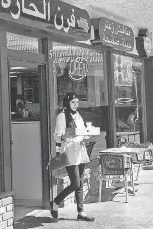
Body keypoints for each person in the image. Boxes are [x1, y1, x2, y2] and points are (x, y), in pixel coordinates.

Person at [50, 92, 95, 222]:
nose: (75, 105)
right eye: (73, 102)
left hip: (80, 151)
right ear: (67, 103)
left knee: (80, 183)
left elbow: (82, 132)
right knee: (76, 183)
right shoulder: (62, 116)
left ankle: (81, 212)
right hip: (69, 151)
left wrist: (87, 135)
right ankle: (56, 202)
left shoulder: (78, 116)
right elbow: (57, 136)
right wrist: (66, 135)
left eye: (77, 102)